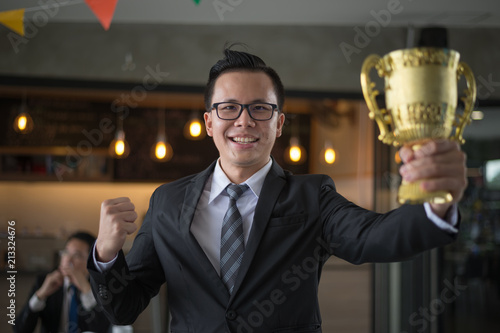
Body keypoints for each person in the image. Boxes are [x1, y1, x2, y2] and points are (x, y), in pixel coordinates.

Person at [88, 46, 467, 333]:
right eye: (228, 108)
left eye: (260, 109)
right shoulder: (167, 201)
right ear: (208, 122)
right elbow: (124, 306)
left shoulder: (312, 195)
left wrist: (437, 206)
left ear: (279, 123)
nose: (244, 121)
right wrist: (106, 252)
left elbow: (374, 237)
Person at [16, 231, 111, 333]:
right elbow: (20, 330)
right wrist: (40, 295)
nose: (68, 259)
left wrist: (86, 289)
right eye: (66, 252)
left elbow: (104, 328)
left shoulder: (101, 286)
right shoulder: (45, 282)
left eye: (77, 255)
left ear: (92, 260)